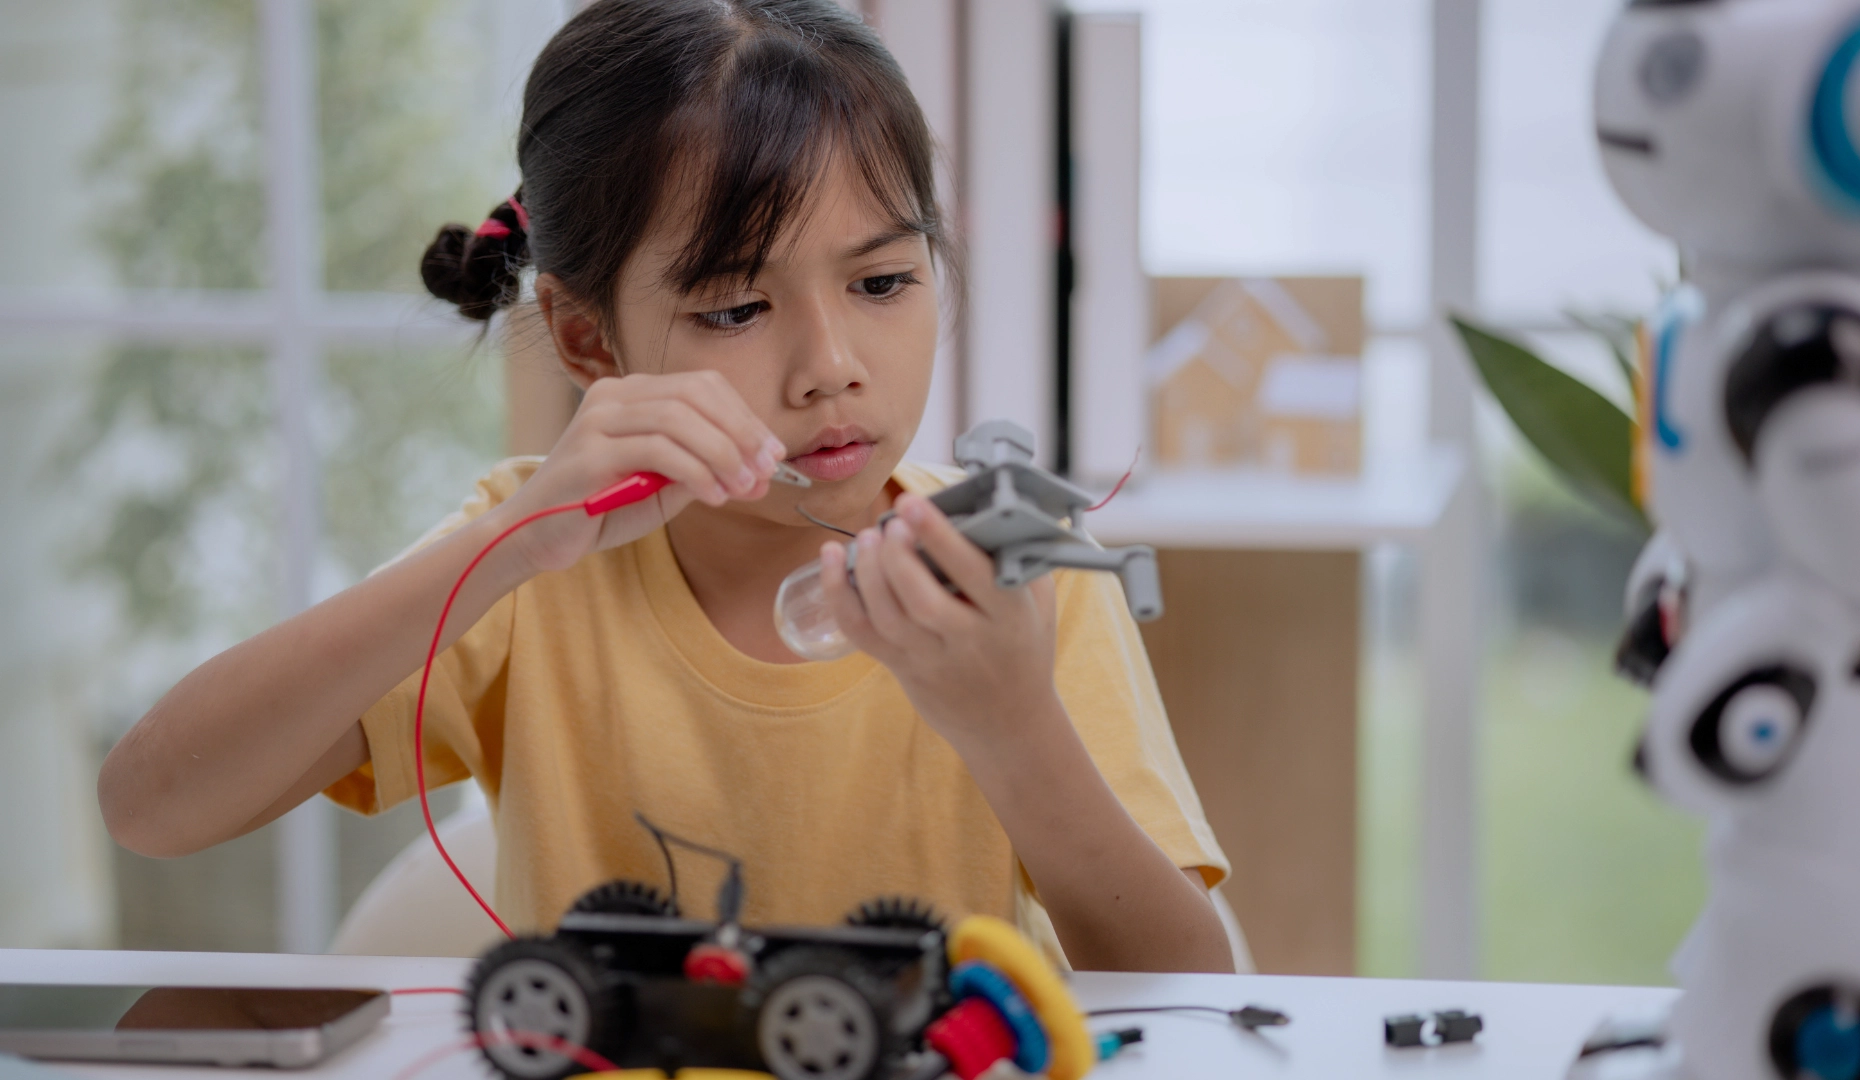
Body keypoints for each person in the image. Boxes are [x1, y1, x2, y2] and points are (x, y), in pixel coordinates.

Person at [97, 0, 1232, 973]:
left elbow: (1187, 983)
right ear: (590, 343)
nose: (831, 363)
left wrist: (1012, 720)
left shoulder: (1006, 571)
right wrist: (508, 544)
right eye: (736, 309)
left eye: (884, 279)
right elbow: (152, 809)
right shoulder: (534, 559)